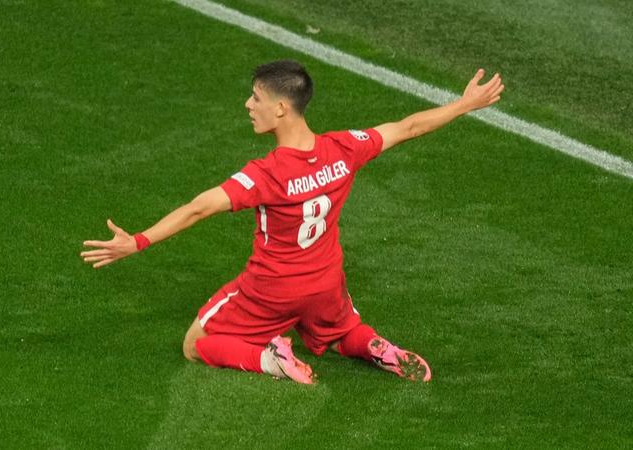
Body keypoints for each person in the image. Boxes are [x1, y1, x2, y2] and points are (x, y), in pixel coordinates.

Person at [81, 60, 503, 384]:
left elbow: (198, 208)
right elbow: (408, 127)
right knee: (340, 332)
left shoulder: (267, 173)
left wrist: (137, 241)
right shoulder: (343, 148)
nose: (248, 105)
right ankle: (376, 346)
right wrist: (467, 103)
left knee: (196, 344)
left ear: (281, 108)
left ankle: (270, 359)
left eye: (256, 98)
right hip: (326, 283)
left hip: (273, 289)